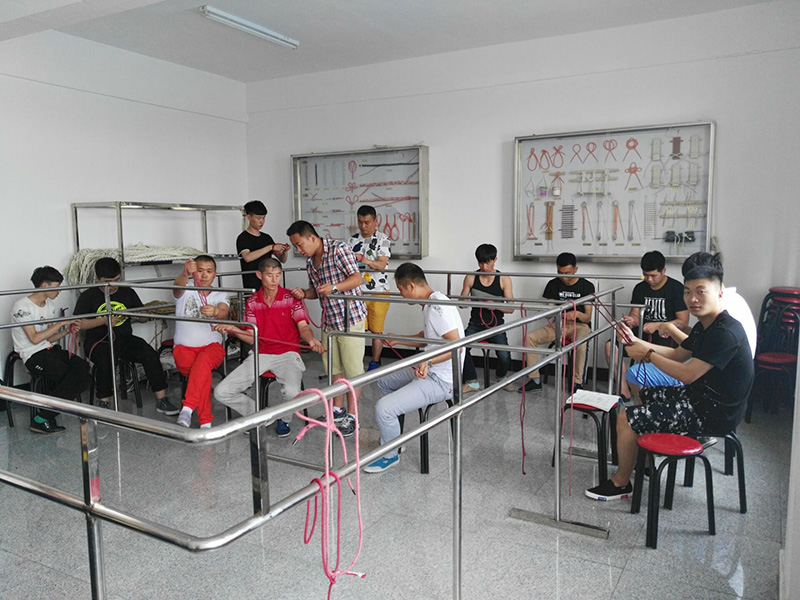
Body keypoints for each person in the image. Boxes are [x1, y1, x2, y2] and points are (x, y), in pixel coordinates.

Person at [585, 264, 754, 501]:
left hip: (713, 413)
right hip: (700, 398)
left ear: (720, 293)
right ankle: (645, 463)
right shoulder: (706, 326)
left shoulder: (725, 332)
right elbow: (677, 355)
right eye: (687, 292)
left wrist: (646, 353)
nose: (692, 299)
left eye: (700, 292)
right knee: (646, 394)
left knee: (625, 417)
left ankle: (621, 483)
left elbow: (687, 374)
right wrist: (636, 342)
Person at [364, 263, 465, 473]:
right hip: (429, 370)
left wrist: (429, 361)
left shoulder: (438, 308)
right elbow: (426, 338)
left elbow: (456, 345)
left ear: (411, 286)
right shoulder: (430, 304)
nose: (401, 294)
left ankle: (389, 455)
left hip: (442, 380)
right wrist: (398, 339)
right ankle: (395, 439)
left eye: (401, 289)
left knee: (384, 408)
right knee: (384, 381)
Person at [213, 257, 323, 437]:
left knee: (292, 392)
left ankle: (284, 419)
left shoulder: (291, 298)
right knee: (221, 392)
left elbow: (303, 326)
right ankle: (260, 415)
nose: (274, 280)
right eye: (270, 275)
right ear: (259, 275)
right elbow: (251, 338)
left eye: (278, 275)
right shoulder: (252, 302)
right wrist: (233, 329)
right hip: (261, 353)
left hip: (288, 354)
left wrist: (311, 340)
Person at [287, 220, 367, 437]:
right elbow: (316, 291)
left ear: (312, 237)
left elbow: (357, 278)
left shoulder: (339, 249)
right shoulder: (310, 262)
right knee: (333, 368)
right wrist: (304, 293)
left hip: (350, 319)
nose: (299, 250)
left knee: (353, 372)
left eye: (300, 245)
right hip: (329, 321)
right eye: (295, 247)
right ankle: (337, 411)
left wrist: (335, 287)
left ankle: (352, 416)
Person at [74, 257, 179, 414]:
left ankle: (162, 399)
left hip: (124, 339)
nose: (113, 285)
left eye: (117, 280)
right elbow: (78, 324)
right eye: (108, 282)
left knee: (149, 353)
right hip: (97, 342)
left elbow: (144, 317)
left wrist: (135, 314)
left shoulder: (127, 292)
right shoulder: (88, 296)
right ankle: (104, 401)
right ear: (97, 279)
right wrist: (104, 320)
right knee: (106, 358)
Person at [11, 266, 90, 433]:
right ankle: (42, 419)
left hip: (50, 349)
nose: (59, 291)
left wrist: (66, 331)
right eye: (57, 287)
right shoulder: (22, 306)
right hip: (33, 355)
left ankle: (43, 416)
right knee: (74, 377)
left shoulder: (49, 306)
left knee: (83, 368)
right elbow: (34, 339)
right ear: (44, 285)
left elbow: (49, 338)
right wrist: (60, 323)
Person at [605, 251, 689, 400]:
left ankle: (650, 392)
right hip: (641, 334)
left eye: (653, 275)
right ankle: (624, 391)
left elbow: (682, 322)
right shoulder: (640, 288)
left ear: (663, 271)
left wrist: (658, 325)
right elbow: (635, 315)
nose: (649, 279)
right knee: (610, 346)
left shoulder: (676, 289)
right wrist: (631, 321)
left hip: (665, 338)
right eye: (645, 275)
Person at [520, 253, 595, 392]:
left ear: (575, 270)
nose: (564, 277)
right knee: (530, 337)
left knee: (581, 344)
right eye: (560, 273)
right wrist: (550, 312)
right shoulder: (552, 284)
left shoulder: (587, 286)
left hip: (580, 326)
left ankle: (577, 383)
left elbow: (588, 317)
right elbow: (549, 311)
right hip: (559, 324)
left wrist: (577, 314)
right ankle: (535, 380)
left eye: (567, 273)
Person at [172, 256, 229, 429]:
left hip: (212, 348)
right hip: (183, 349)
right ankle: (205, 421)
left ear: (215, 274)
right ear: (193, 272)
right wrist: (185, 273)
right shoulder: (186, 289)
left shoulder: (220, 294)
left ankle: (187, 409)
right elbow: (177, 287)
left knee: (203, 362)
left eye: (209, 271)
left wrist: (216, 311)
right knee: (202, 373)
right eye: (200, 270)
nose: (204, 275)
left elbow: (224, 312)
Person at [460, 244, 515, 394]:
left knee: (504, 355)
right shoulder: (471, 277)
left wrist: (495, 306)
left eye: (488, 262)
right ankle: (471, 381)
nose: (484, 267)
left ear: (495, 260)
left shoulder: (503, 279)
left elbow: (511, 308)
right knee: (460, 348)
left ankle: (501, 377)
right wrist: (465, 301)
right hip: (475, 324)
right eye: (481, 263)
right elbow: (462, 304)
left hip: (496, 325)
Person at [346, 205, 392, 371]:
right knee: (357, 328)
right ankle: (355, 361)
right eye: (360, 222)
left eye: (367, 222)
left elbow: (381, 264)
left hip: (378, 291)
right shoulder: (351, 241)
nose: (363, 226)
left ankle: (375, 361)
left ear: (375, 221)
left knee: (376, 330)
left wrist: (364, 260)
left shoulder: (383, 239)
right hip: (357, 292)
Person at [236, 200, 290, 293]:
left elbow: (282, 260)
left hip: (269, 283)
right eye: (258, 218)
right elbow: (247, 257)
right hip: (252, 284)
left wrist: (284, 251)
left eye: (263, 218)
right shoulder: (243, 238)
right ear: (249, 217)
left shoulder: (266, 237)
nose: (261, 221)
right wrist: (270, 247)